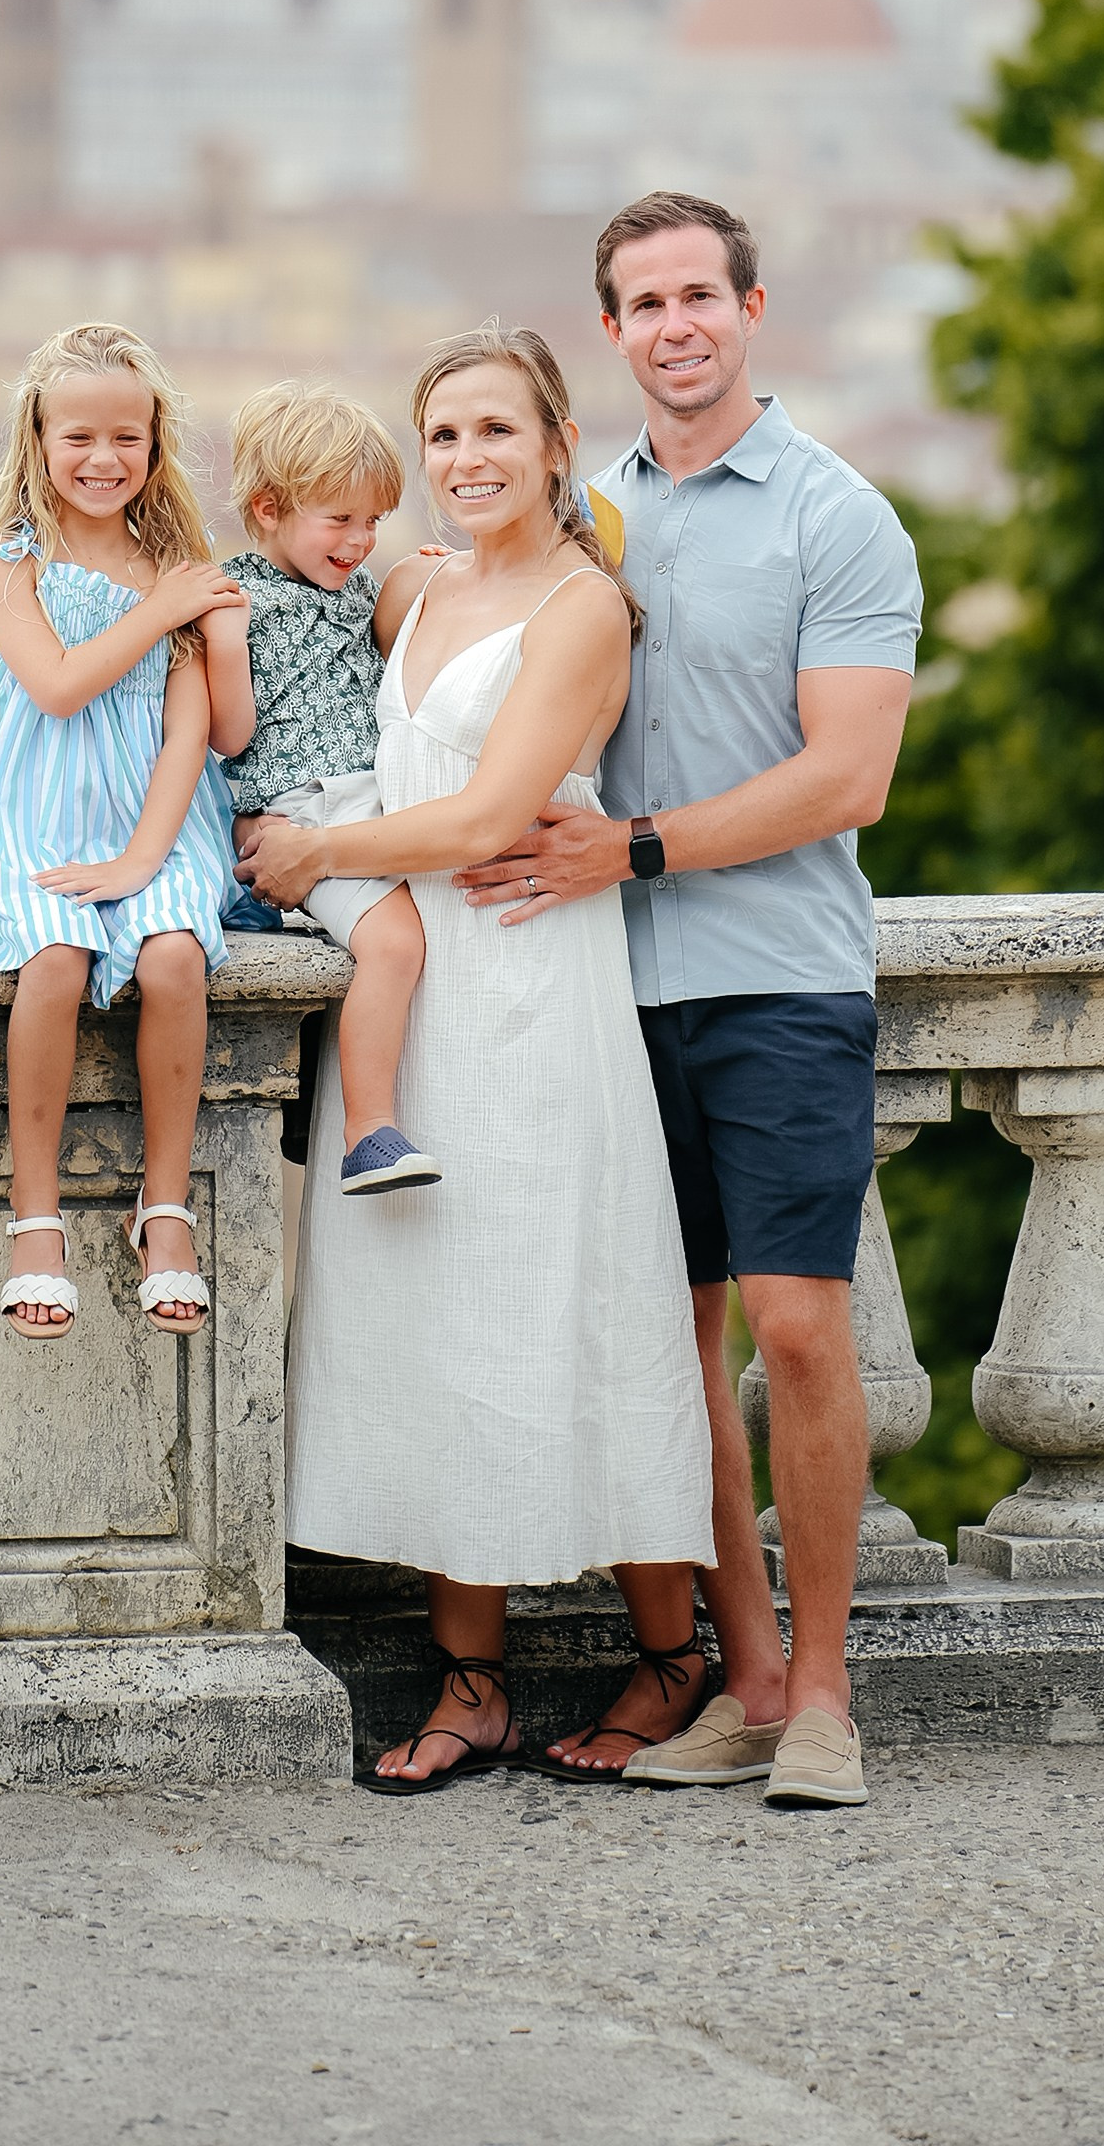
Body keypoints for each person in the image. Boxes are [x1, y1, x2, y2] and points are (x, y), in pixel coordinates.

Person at [460, 196, 920, 1811]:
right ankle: (749, 1674)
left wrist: (634, 848)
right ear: (611, 330)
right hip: (603, 992)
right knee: (670, 1355)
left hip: (781, 975)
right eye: (642, 300)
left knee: (796, 1328)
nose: (675, 322)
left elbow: (847, 772)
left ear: (751, 305)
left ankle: (831, 1698)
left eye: (697, 294)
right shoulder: (577, 522)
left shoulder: (838, 515)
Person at [245, 325, 714, 1790]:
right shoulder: (418, 585)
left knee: (572, 1304)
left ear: (557, 444)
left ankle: (674, 1654)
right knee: (440, 1321)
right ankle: (473, 1682)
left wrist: (314, 847)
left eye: (496, 432)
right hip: (421, 1004)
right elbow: (287, 553)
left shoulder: (585, 609)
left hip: (531, 990)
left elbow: (484, 816)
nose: (466, 462)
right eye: (442, 438)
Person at [0, 322, 253, 1342]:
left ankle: (163, 1211)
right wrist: (158, 608)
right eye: (77, 437)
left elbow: (201, 734)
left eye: (125, 438)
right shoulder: (9, 560)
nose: (101, 459)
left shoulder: (177, 567)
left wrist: (144, 857)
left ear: (155, 444)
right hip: (14, 806)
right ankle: (32, 1220)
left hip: (147, 814)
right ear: (38, 441)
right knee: (53, 952)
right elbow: (53, 689)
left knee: (175, 957)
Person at [218, 381, 440, 1194]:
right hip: (304, 806)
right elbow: (228, 737)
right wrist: (222, 642)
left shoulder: (344, 589)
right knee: (394, 941)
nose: (360, 539)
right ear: (270, 507)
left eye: (374, 520)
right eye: (340, 519)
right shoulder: (234, 601)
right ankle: (369, 1131)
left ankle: (324, 1100)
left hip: (358, 798)